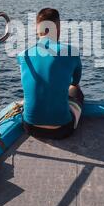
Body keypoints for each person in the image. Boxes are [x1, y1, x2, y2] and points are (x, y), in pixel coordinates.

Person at [17, 8, 84, 139]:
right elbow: (75, 82)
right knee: (76, 91)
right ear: (58, 27)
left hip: (29, 127)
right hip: (62, 129)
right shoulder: (71, 52)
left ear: (38, 29)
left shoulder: (22, 55)